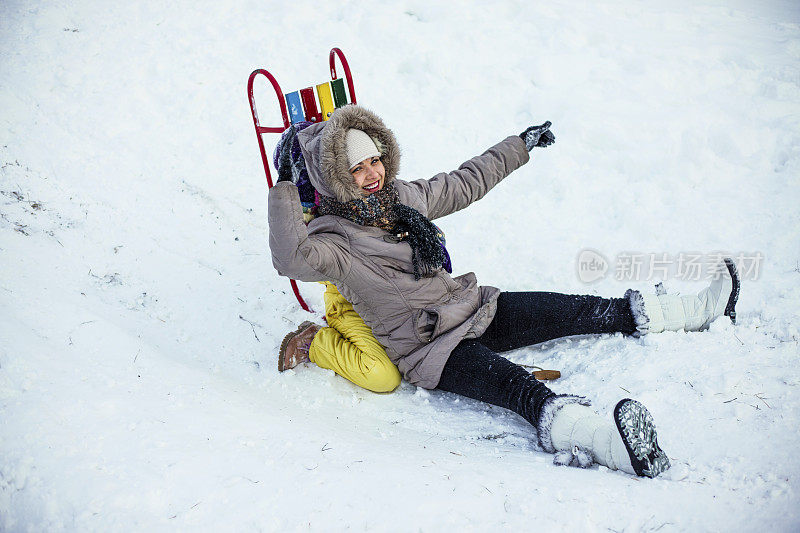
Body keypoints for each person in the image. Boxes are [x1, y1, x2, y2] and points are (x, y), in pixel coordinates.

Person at [268, 105, 740, 478]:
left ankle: (696, 310)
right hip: (430, 347)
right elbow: (290, 258)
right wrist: (286, 188)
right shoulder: (333, 241)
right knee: (521, 389)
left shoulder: (402, 198)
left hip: (470, 308)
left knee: (579, 311)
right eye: (358, 168)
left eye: (375, 160)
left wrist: (520, 145)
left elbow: (464, 182)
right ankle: (610, 445)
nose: (372, 173)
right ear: (335, 177)